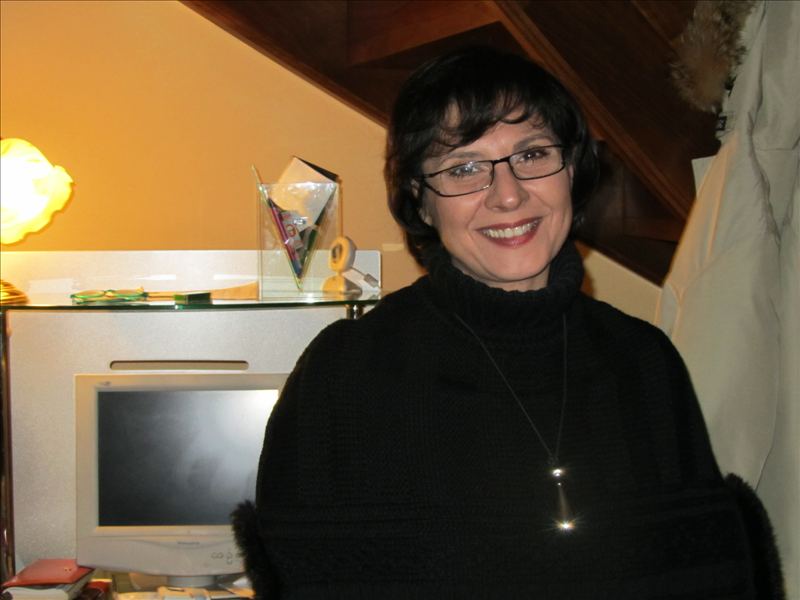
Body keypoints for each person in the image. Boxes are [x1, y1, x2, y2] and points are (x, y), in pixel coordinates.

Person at [232, 46, 783, 598]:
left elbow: (713, 578)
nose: (509, 194)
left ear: (572, 170)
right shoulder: (344, 373)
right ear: (420, 201)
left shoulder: (643, 361)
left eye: (533, 154)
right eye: (464, 168)